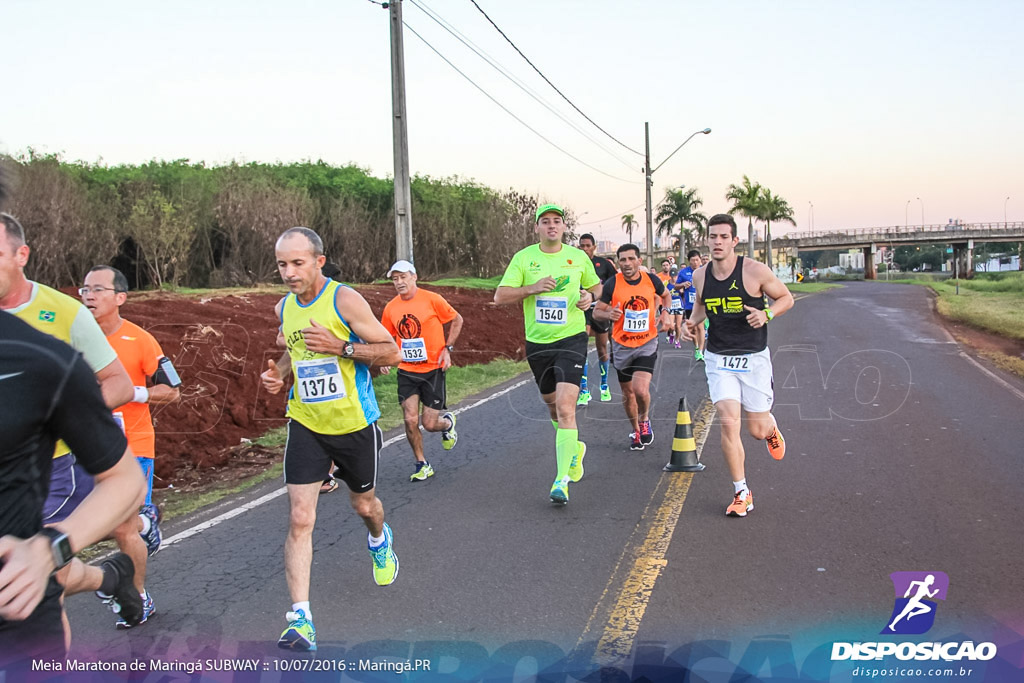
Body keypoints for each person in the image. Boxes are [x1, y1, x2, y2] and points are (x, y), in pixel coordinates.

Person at [260, 227, 401, 652]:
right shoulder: (285, 307)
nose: (288, 272)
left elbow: (391, 351)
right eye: (282, 264)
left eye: (297, 263)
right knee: (301, 517)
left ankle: (379, 538)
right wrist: (278, 374)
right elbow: (297, 350)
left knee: (364, 505)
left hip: (354, 425)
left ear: (319, 261)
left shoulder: (344, 300)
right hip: (305, 422)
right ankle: (301, 619)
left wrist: (342, 347)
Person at [0, 212, 141, 634]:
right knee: (47, 576)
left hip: (55, 467)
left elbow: (118, 381)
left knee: (36, 580)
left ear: (21, 255)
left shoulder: (62, 318)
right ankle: (109, 577)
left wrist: (50, 416)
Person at [0, 311, 146, 671]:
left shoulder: (40, 358)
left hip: (14, 618)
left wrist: (51, 548)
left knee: (56, 573)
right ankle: (109, 577)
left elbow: (125, 479)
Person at [68, 265, 182, 627]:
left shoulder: (140, 340)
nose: (88, 296)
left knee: (121, 529)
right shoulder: (69, 337)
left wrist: (134, 392)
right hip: (81, 445)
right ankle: (147, 524)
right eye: (85, 289)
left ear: (120, 298)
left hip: (133, 445)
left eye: (98, 290)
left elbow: (173, 392)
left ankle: (138, 596)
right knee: (92, 523)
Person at [682, 214, 793, 517]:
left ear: (734, 241)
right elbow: (701, 307)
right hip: (719, 358)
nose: (717, 242)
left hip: (753, 358)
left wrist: (767, 315)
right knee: (729, 421)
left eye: (723, 237)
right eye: (712, 236)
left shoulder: (755, 272)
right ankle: (741, 492)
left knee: (756, 430)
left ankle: (770, 429)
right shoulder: (700, 275)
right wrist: (689, 324)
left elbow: (786, 297)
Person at [494, 204, 601, 505]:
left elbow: (598, 287)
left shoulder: (578, 257)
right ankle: (574, 449)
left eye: (557, 221)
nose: (551, 226)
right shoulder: (524, 258)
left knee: (567, 408)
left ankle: (561, 480)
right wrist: (531, 288)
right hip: (538, 344)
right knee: (552, 408)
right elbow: (500, 296)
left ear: (564, 228)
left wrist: (590, 297)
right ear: (537, 228)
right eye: (545, 222)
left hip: (572, 339)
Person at [378, 259, 462, 481]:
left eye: (403, 277)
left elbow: (457, 319)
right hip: (406, 370)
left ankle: (447, 423)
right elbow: (386, 337)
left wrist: (447, 349)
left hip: (433, 368)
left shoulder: (432, 299)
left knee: (430, 423)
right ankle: (421, 463)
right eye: (395, 279)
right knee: (410, 419)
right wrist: (386, 357)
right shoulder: (391, 308)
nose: (399, 282)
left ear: (414, 277)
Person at [593, 244, 671, 451]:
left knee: (640, 389)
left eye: (630, 259)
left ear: (639, 261)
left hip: (647, 342)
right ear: (618, 263)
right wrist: (608, 314)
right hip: (621, 346)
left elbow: (666, 295)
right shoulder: (612, 284)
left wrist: (666, 312)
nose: (626, 264)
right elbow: (596, 312)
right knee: (628, 394)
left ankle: (644, 420)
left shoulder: (651, 280)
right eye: (622, 260)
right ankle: (636, 429)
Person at [576, 233, 616, 405]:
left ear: (594, 247)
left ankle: (604, 385)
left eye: (587, 246)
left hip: (600, 311)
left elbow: (615, 282)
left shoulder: (604, 264)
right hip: (581, 311)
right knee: (581, 348)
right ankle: (584, 390)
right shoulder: (573, 263)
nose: (584, 249)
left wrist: (612, 305)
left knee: (602, 349)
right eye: (581, 246)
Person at [676, 250, 707, 361]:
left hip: (702, 304)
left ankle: (700, 351)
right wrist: (683, 285)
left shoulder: (705, 271)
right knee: (693, 329)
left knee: (700, 327)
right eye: (692, 260)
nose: (695, 262)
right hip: (689, 304)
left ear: (700, 260)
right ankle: (697, 347)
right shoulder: (683, 272)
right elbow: (675, 287)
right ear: (689, 261)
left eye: (697, 260)